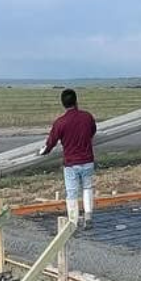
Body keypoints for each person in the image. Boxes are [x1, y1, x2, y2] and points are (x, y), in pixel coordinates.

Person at [41, 88, 98, 228]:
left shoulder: (60, 122)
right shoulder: (87, 117)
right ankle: (88, 216)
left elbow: (51, 142)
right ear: (76, 101)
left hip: (71, 163)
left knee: (72, 192)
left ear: (63, 104)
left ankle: (73, 221)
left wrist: (44, 151)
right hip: (87, 160)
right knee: (87, 188)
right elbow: (93, 131)